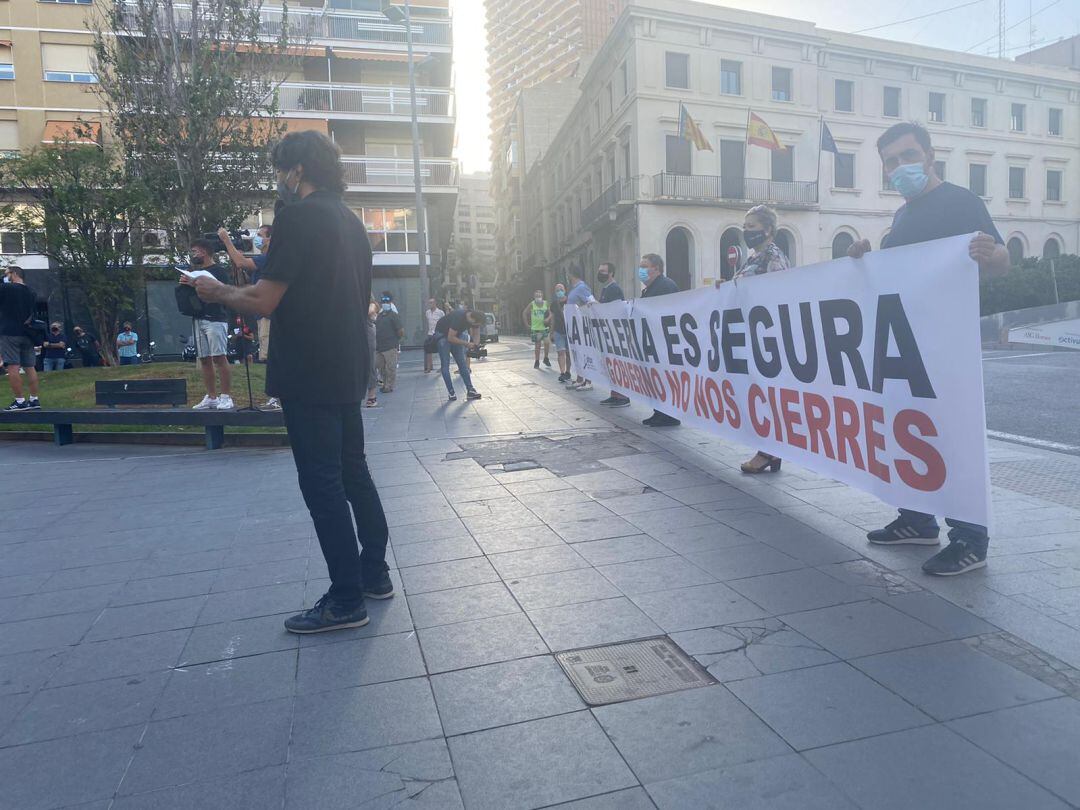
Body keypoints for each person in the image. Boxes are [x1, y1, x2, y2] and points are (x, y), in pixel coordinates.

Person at [186, 129, 392, 633]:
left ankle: (345, 600)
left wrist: (214, 292)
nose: (279, 179)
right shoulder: (350, 221)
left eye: (281, 169)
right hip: (347, 364)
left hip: (310, 369)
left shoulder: (297, 217)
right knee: (354, 474)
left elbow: (263, 300)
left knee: (321, 483)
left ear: (297, 170)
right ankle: (374, 575)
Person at [848, 120, 1008, 577]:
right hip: (906, 346)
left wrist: (987, 253)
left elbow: (1001, 262)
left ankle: (970, 539)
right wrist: (864, 259)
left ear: (929, 155)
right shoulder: (902, 217)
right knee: (907, 431)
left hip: (946, 344)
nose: (901, 167)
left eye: (907, 156)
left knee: (952, 437)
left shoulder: (961, 201)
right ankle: (917, 520)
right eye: (891, 162)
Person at [729, 205, 793, 473]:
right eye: (745, 227)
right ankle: (770, 451)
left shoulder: (773, 257)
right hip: (752, 335)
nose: (747, 232)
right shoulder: (753, 258)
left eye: (752, 227)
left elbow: (779, 295)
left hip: (767, 338)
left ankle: (768, 451)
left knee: (766, 394)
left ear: (768, 230)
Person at [219, 224, 279, 409]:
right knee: (269, 356)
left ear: (270, 239)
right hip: (263, 314)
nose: (257, 239)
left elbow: (242, 262)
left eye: (260, 235)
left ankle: (278, 396)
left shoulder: (268, 257)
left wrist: (226, 241)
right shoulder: (264, 260)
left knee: (272, 356)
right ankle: (275, 395)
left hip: (270, 315)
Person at [188, 238, 234, 410]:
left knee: (219, 357)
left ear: (204, 252)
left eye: (195, 251)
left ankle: (226, 396)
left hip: (216, 318)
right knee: (204, 359)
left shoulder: (219, 271)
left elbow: (226, 291)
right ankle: (211, 396)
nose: (193, 255)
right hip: (199, 317)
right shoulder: (196, 271)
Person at [639, 253, 681, 427]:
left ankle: (670, 415)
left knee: (665, 378)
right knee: (655, 379)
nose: (640, 270)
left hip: (664, 342)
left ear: (656, 268)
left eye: (644, 266)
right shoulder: (649, 289)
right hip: (653, 342)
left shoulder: (666, 286)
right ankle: (659, 411)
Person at [1, 265, 41, 411]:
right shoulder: (31, 291)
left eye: (7, 274)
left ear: (14, 274)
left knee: (12, 367)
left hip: (9, 333)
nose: (5, 276)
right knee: (30, 367)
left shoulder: (6, 288)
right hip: (27, 333)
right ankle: (34, 399)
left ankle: (19, 401)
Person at [596, 263, 629, 407]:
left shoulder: (614, 289)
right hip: (608, 333)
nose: (600, 273)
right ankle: (614, 394)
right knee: (611, 365)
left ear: (611, 273)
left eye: (603, 271)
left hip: (615, 333)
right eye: (599, 271)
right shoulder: (606, 288)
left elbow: (614, 310)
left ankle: (623, 396)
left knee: (617, 364)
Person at [433, 307, 484, 402]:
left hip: (455, 334)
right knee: (445, 364)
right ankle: (451, 392)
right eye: (477, 324)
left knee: (462, 364)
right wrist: (467, 344)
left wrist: (476, 346)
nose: (477, 326)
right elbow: (450, 338)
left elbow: (476, 333)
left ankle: (470, 390)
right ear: (473, 320)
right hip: (442, 335)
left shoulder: (474, 318)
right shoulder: (459, 318)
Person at [565, 266, 596, 391]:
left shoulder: (582, 287)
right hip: (575, 326)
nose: (567, 277)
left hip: (581, 325)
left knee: (584, 352)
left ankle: (588, 381)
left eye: (568, 274)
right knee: (577, 352)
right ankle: (579, 379)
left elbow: (591, 301)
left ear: (572, 275)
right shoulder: (574, 289)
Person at [375, 297, 404, 393]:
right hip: (380, 347)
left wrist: (395, 340)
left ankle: (389, 386)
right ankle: (385, 384)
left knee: (390, 367)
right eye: (383, 302)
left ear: (390, 303)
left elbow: (400, 331)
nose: (385, 303)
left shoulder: (393, 315)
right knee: (381, 367)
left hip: (390, 346)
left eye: (386, 302)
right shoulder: (379, 316)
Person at [522, 289, 551, 370]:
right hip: (536, 328)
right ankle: (537, 361)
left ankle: (546, 358)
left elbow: (551, 313)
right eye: (537, 296)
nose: (538, 297)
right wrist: (527, 324)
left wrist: (548, 318)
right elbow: (524, 313)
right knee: (537, 346)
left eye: (540, 295)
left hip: (545, 327)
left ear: (542, 296)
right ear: (534, 297)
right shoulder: (532, 304)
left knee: (547, 343)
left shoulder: (546, 303)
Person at [550, 282, 571, 383]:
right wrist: (551, 332)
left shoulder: (570, 301)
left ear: (565, 290)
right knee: (560, 352)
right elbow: (553, 318)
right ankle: (562, 373)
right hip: (558, 331)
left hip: (569, 331)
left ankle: (568, 371)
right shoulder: (553, 304)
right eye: (557, 290)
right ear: (555, 292)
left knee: (568, 353)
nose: (560, 292)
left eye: (561, 289)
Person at [423, 297, 444, 373]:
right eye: (429, 303)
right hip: (430, 334)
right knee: (428, 351)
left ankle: (442, 367)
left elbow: (443, 322)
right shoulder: (427, 312)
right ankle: (429, 367)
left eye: (431, 303)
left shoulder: (440, 312)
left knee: (441, 351)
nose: (430, 304)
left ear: (435, 303)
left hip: (438, 334)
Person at [365, 299, 379, 407]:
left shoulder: (372, 304)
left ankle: (371, 396)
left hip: (368, 335)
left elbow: (371, 310)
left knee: (370, 366)